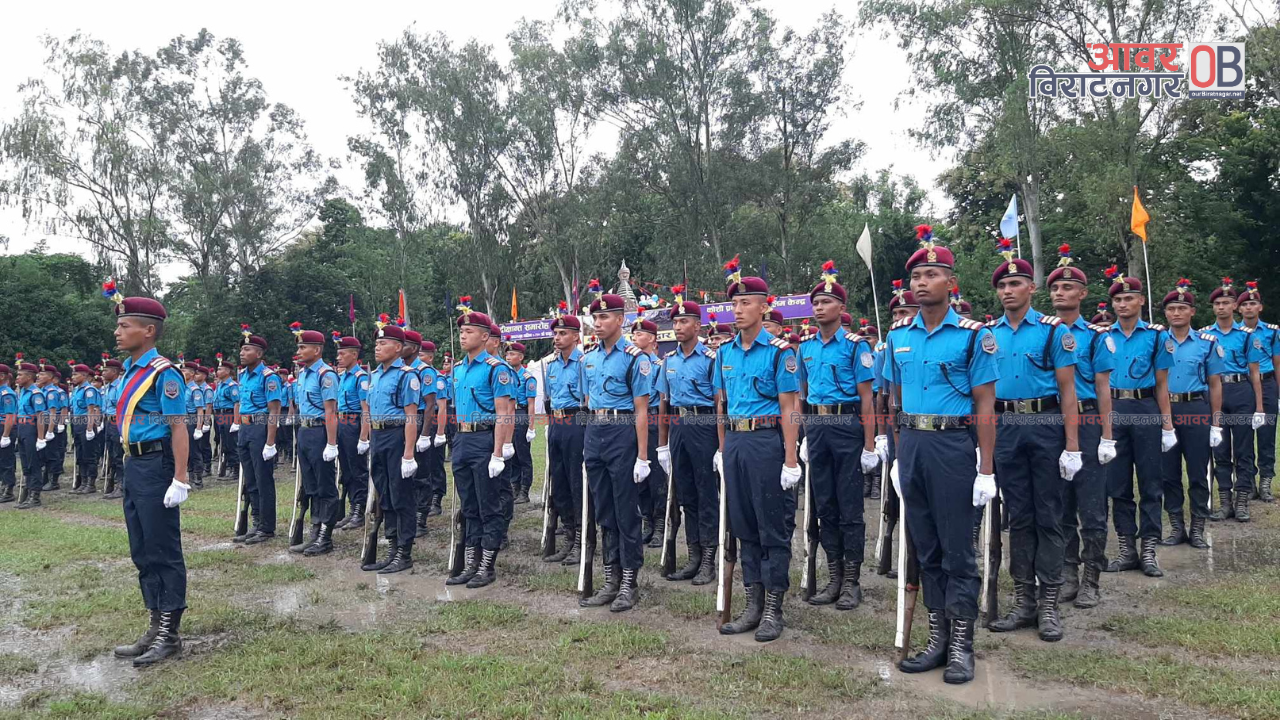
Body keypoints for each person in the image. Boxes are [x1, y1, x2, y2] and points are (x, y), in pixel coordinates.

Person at [886, 229, 998, 685]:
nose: (921, 282)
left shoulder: (974, 337)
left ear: (951, 282)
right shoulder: (898, 336)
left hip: (953, 446)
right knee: (925, 547)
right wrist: (897, 455)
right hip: (913, 445)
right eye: (916, 276)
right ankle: (937, 638)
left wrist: (985, 468)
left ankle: (961, 645)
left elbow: (986, 405)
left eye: (931, 274)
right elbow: (894, 400)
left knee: (957, 550)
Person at [985, 238, 1080, 643]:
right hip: (1006, 426)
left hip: (1045, 424)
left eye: (1015, 284)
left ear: (1031, 288)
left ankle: (1049, 604)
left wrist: (1072, 446)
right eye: (1002, 286)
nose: (1008, 291)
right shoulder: (987, 334)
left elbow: (1068, 391)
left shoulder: (1053, 331)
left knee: (1049, 515)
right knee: (1019, 516)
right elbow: (983, 393)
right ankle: (1024, 601)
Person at [102, 287, 192, 667]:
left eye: (125, 326)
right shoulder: (129, 372)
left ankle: (170, 634)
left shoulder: (163, 374)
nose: (117, 332)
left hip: (157, 465)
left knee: (162, 548)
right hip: (134, 464)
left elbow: (178, 426)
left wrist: (180, 478)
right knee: (141, 549)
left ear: (148, 331)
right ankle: (155, 625)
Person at [715, 255, 802, 642]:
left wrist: (790, 458)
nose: (737, 309)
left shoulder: (781, 352)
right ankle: (753, 602)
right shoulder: (724, 352)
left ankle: (773, 607)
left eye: (745, 303)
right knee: (743, 524)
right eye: (734, 303)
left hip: (766, 442)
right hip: (736, 442)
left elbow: (790, 408)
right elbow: (721, 406)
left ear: (764, 307)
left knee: (771, 526)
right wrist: (722, 449)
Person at [795, 260, 878, 610]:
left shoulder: (856, 347)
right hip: (817, 428)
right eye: (815, 303)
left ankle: (851, 581)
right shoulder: (805, 348)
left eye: (826, 302)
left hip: (847, 427)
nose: (819, 308)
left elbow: (867, 399)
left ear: (841, 307)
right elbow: (801, 395)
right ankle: (833, 577)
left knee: (849, 506)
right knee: (824, 504)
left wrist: (870, 445)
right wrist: (802, 435)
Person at [1047, 253, 1115, 609]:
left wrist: (1107, 436)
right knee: (1059, 503)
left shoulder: (1095, 337)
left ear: (1083, 294)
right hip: (1051, 421)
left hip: (1087, 421)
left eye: (1067, 287)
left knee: (1091, 505)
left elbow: (1103, 388)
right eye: (1055, 287)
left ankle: (1092, 578)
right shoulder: (1045, 333)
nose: (1060, 292)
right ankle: (1068, 572)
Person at [579, 285, 652, 612]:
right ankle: (610, 578)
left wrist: (642, 456)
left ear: (621, 319)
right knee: (603, 509)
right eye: (595, 317)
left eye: (604, 317)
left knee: (625, 510)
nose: (598, 323)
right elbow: (587, 401)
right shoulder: (588, 359)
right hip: (595, 430)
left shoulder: (635, 358)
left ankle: (628, 582)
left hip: (622, 430)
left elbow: (641, 411)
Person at [1102, 266, 1177, 577]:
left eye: (1129, 298)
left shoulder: (1157, 336)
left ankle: (1148, 549)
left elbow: (1162, 384)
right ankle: (1126, 548)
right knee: (1117, 484)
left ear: (1141, 301)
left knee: (1150, 482)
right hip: (1113, 409)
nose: (1123, 304)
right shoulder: (1103, 336)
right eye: (1118, 300)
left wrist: (1167, 425)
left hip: (1145, 408)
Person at [444, 301, 515, 587]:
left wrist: (498, 452)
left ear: (485, 336)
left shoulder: (496, 369)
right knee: (469, 506)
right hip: (462, 438)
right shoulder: (458, 370)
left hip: (484, 439)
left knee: (489, 506)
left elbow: (504, 412)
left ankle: (487, 565)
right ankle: (471, 562)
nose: (463, 336)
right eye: (461, 331)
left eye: (470, 331)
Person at [655, 287, 719, 584]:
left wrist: (721, 445)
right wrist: (662, 445)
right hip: (679, 426)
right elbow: (663, 403)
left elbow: (720, 403)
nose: (678, 327)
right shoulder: (669, 360)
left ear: (698, 325)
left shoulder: (710, 358)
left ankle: (708, 558)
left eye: (684, 322)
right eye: (675, 322)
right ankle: (693, 555)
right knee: (686, 494)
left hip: (704, 426)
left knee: (706, 494)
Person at [1159, 280, 1224, 549]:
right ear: (1165, 313)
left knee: (1198, 471)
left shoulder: (1207, 343)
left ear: (1192, 312)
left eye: (1182, 308)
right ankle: (1176, 526)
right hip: (1165, 410)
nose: (1176, 313)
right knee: (1168, 473)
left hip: (1196, 408)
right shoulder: (1157, 340)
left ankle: (1198, 526)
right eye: (1171, 309)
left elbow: (1215, 384)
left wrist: (1216, 423)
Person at [1203, 279, 1267, 521]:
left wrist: (1259, 407)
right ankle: (1225, 502)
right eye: (1217, 303)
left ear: (1234, 307)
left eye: (1226, 303)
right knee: (1219, 449)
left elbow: (1255, 373)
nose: (1221, 307)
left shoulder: (1246, 336)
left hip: (1241, 392)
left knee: (1243, 449)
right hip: (1216, 393)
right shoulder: (1205, 336)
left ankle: (1242, 501)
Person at [361, 318, 421, 574]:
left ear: (398, 347)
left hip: (397, 436)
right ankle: (392, 547)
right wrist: (366, 438)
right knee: (385, 495)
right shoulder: (374, 376)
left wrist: (408, 454)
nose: (377, 347)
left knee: (401, 495)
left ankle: (404, 552)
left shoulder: (406, 375)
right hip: (378, 436)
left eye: (383, 343)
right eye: (376, 343)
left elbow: (411, 416)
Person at [540, 302, 587, 564]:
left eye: (563, 333)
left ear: (576, 336)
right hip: (556, 424)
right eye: (555, 334)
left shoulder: (584, 363)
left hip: (576, 422)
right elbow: (549, 399)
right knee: (559, 484)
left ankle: (581, 539)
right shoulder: (551, 365)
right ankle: (568, 537)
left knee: (576, 482)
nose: (557, 338)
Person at [288, 326, 341, 556]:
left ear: (317, 350)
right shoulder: (303, 374)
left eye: (303, 347)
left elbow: (331, 411)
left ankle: (325, 537)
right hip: (305, 431)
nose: (299, 351)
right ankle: (315, 531)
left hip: (320, 432)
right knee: (310, 485)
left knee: (325, 485)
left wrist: (331, 443)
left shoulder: (325, 374)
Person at [234, 326, 283, 545]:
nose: (242, 353)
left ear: (259, 353)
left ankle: (266, 527)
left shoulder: (268, 377)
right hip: (245, 429)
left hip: (260, 428)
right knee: (250, 478)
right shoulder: (243, 376)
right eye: (241, 350)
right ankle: (256, 522)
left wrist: (270, 442)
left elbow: (274, 411)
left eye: (247, 350)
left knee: (263, 479)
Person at [1236, 282, 1279, 502]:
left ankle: (1266, 481)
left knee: (1266, 435)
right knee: (1243, 435)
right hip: (1244, 386)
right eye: (1245, 304)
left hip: (1267, 383)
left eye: (1253, 304)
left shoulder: (1272, 331)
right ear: (1239, 309)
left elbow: (1277, 363)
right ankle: (1248, 481)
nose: (1249, 308)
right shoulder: (1235, 333)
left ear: (1260, 307)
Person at [630, 320, 669, 548]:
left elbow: (663, 400)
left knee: (656, 477)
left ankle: (660, 523)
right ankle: (646, 519)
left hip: (653, 420)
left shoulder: (659, 365)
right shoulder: (631, 362)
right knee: (639, 476)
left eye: (640, 334)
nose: (635, 337)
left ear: (652, 338)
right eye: (633, 334)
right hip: (634, 421)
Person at [333, 334, 371, 531]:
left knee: (357, 470)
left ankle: (360, 509)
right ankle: (352, 506)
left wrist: (363, 437)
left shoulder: (360, 378)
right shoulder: (342, 377)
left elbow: (366, 410)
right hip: (342, 424)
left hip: (354, 424)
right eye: (338, 353)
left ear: (354, 355)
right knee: (346, 470)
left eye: (342, 354)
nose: (338, 357)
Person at [505, 341, 537, 506]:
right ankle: (514, 486)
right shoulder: (506, 375)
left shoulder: (527, 378)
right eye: (507, 354)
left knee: (523, 454)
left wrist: (531, 427)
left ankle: (524, 490)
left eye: (512, 354)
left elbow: (531, 404)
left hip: (520, 413)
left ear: (521, 357)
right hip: (508, 414)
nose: (508, 357)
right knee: (511, 453)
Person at [14, 358, 47, 508]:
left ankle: (35, 495)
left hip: (31, 428)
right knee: (25, 462)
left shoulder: (35, 393)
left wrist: (40, 438)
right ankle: (27, 491)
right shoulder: (23, 392)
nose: (17, 377)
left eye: (20, 375)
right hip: (22, 428)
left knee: (33, 463)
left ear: (29, 376)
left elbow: (40, 416)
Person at [69, 363, 104, 495]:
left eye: (75, 374)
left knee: (89, 454)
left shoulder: (89, 390)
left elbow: (91, 410)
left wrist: (90, 429)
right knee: (80, 454)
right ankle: (83, 482)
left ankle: (90, 483)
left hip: (86, 424)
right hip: (77, 423)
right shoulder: (77, 390)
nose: (73, 377)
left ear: (84, 375)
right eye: (72, 374)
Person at [101, 357, 126, 499]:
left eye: (106, 370)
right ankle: (113, 481)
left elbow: (123, 409)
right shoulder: (107, 388)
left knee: (118, 455)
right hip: (108, 422)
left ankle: (121, 485)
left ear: (115, 372)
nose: (103, 373)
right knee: (111, 453)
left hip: (117, 423)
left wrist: (122, 430)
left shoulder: (119, 387)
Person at [211, 359, 240, 481]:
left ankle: (236, 469)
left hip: (229, 415)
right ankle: (228, 466)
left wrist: (236, 421)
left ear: (227, 371)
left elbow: (237, 403)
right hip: (220, 415)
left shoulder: (232, 386)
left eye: (220, 369)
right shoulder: (220, 385)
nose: (217, 371)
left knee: (231, 443)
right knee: (224, 443)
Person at [182, 361, 208, 489]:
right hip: (182, 420)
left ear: (192, 373)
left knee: (194, 451)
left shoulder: (195, 390)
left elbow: (200, 410)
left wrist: (198, 428)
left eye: (184, 371)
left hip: (192, 420)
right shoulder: (181, 388)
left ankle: (198, 479)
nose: (182, 373)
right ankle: (190, 477)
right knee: (185, 450)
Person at [0, 363, 17, 503]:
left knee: (6, 459)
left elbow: (10, 416)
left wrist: (5, 435)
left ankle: (8, 488)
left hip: (4, 427)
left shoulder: (7, 394)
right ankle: (2, 484)